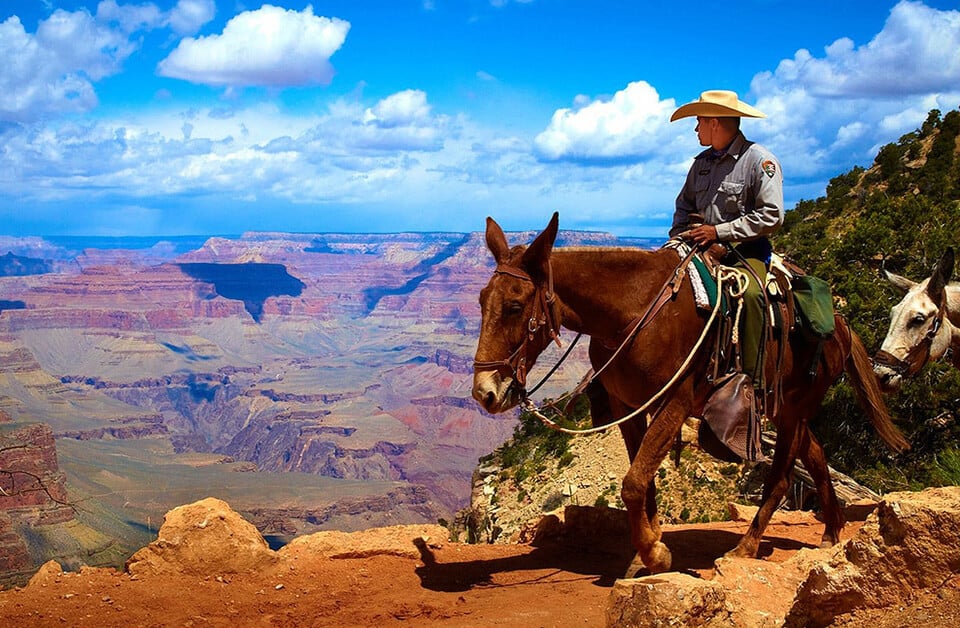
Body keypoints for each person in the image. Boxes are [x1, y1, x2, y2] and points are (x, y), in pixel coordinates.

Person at [669, 90, 784, 387]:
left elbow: (772, 216)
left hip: (745, 252)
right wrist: (677, 238)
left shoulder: (760, 162)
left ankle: (753, 382)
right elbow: (684, 205)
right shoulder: (701, 163)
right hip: (699, 246)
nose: (696, 129)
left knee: (754, 296)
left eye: (699, 122)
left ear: (715, 123)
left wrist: (718, 232)